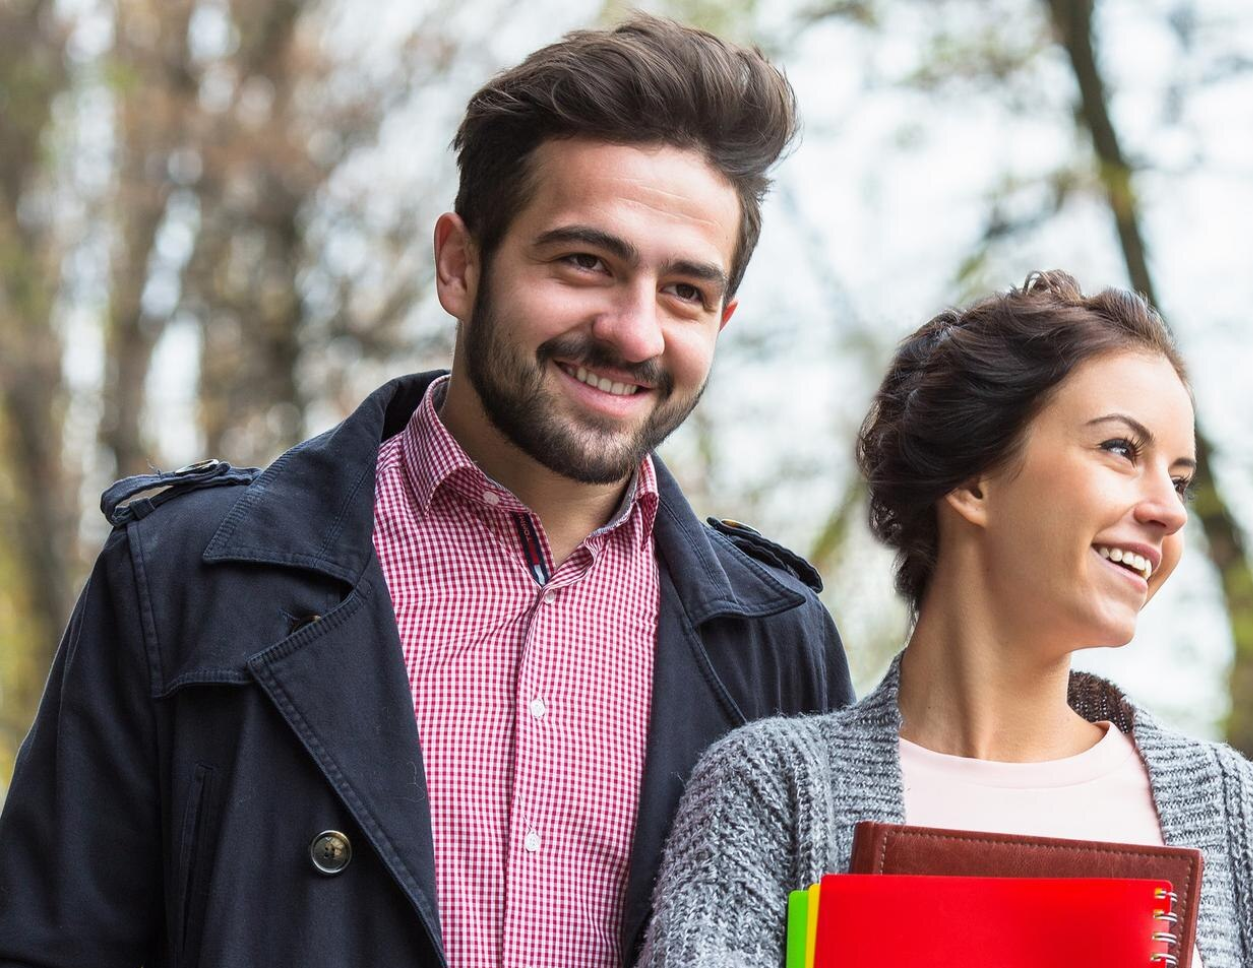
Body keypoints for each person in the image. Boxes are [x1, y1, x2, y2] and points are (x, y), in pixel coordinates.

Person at [0, 16, 853, 968]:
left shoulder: (781, 646)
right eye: (585, 263)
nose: (634, 333)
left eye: (686, 291)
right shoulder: (185, 579)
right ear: (460, 262)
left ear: (724, 317)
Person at [637, 271, 1253, 968]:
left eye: (1179, 480)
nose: (1169, 511)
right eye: (1121, 450)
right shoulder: (771, 789)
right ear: (972, 479)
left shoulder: (1232, 811)